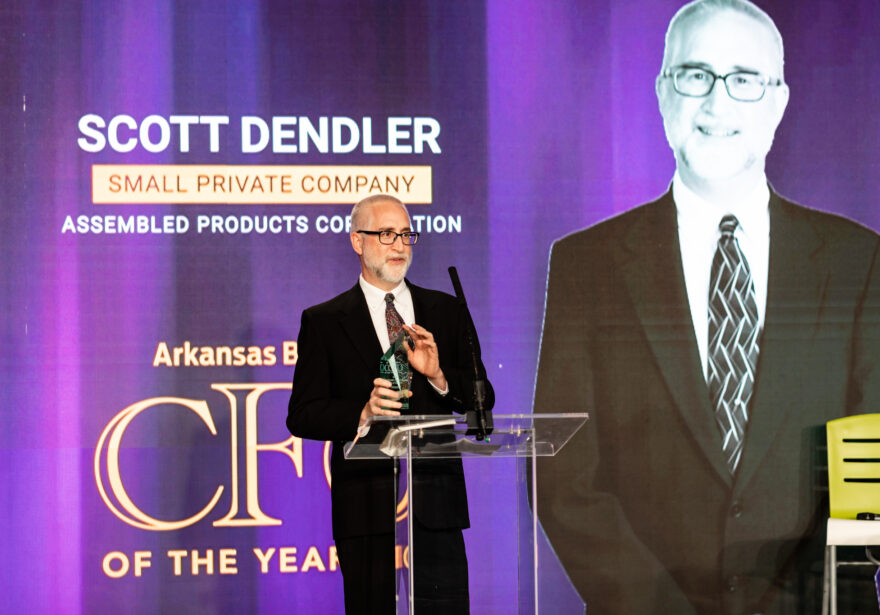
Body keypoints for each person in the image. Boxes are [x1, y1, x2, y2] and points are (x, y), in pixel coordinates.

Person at [533, 0, 880, 613]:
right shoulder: (588, 265)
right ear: (664, 93)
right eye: (695, 76)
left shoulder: (858, 261)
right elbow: (563, 476)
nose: (717, 104)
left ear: (778, 102)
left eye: (744, 80)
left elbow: (870, 453)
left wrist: (817, 601)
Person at [287, 194, 494, 615]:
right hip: (365, 500)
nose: (399, 245)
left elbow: (482, 398)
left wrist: (438, 376)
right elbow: (303, 413)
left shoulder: (446, 310)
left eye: (405, 235)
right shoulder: (324, 321)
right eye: (385, 234)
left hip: (436, 497)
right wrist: (362, 414)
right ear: (357, 242)